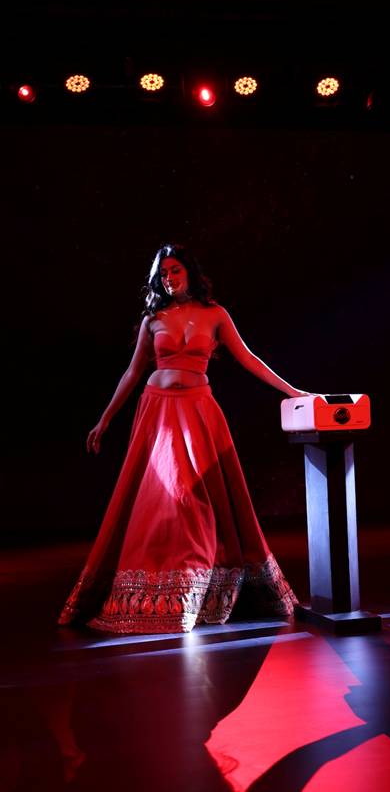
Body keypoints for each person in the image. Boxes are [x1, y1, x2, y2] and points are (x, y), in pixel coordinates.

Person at [58, 243, 309, 634]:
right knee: (163, 502)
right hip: (157, 411)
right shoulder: (153, 319)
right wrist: (104, 420)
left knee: (199, 499)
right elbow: (131, 373)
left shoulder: (215, 315)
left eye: (175, 271)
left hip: (198, 412)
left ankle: (199, 587)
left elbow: (249, 358)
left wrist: (292, 392)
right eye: (163, 274)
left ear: (189, 272)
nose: (169, 279)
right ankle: (168, 590)